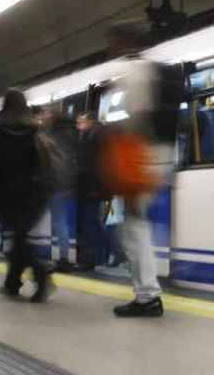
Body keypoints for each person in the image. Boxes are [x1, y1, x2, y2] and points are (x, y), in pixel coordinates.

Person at [106, 21, 179, 318]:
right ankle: (146, 292)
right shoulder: (153, 68)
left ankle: (147, 295)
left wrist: (116, 136)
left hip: (142, 157)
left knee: (134, 228)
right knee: (135, 226)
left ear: (123, 43)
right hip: (160, 156)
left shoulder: (133, 72)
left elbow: (137, 119)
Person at [0, 89, 55, 302]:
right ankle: (12, 282)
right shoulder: (35, 130)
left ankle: (40, 276)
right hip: (35, 194)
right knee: (20, 239)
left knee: (19, 240)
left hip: (8, 195)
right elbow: (44, 164)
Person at [42, 105, 77, 272]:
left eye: (46, 114)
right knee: (60, 220)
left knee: (58, 221)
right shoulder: (72, 133)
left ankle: (63, 257)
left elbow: (52, 161)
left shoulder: (53, 136)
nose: (44, 117)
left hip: (54, 183)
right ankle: (63, 256)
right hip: (66, 183)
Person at [75, 112, 103, 271]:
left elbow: (91, 165)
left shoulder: (93, 138)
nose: (78, 126)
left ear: (90, 122)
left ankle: (89, 259)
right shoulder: (87, 137)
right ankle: (91, 257)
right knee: (90, 223)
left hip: (91, 189)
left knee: (89, 224)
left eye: (81, 123)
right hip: (88, 188)